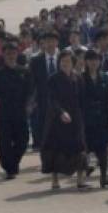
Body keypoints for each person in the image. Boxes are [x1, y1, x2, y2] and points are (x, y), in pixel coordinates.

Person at [40, 51, 87, 190]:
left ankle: (80, 178)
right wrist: (61, 112)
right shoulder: (53, 79)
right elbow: (51, 99)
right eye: (63, 61)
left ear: (73, 63)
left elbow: (82, 99)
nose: (65, 63)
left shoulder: (78, 78)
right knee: (55, 149)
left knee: (80, 147)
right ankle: (54, 179)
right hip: (57, 119)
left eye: (68, 61)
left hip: (76, 118)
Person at [0, 42, 32, 179]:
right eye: (8, 54)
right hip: (5, 112)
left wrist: (30, 104)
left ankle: (13, 163)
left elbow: (31, 91)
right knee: (4, 143)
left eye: (13, 53)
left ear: (17, 54)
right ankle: (9, 169)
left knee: (23, 141)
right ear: (4, 56)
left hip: (20, 112)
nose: (11, 56)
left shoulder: (25, 71)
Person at [82, 50, 108, 188]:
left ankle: (103, 177)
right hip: (86, 118)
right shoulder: (80, 78)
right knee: (84, 149)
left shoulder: (104, 77)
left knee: (103, 150)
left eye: (96, 60)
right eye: (91, 60)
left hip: (102, 118)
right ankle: (82, 177)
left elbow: (107, 99)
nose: (94, 62)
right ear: (86, 62)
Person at [29, 31, 59, 149]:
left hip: (61, 100)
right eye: (47, 41)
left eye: (53, 41)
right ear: (43, 43)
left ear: (57, 42)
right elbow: (32, 82)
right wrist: (32, 100)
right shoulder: (36, 61)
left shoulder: (64, 58)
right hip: (42, 100)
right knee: (43, 127)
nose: (50, 44)